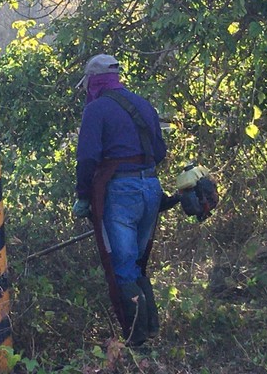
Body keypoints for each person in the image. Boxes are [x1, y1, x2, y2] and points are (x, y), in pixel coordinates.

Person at [72, 54, 168, 346]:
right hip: (151, 188)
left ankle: (137, 343)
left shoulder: (97, 110)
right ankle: (151, 333)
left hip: (120, 193)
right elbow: (160, 152)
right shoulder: (143, 104)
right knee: (138, 264)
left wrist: (83, 196)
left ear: (94, 81)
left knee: (123, 267)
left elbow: (88, 158)